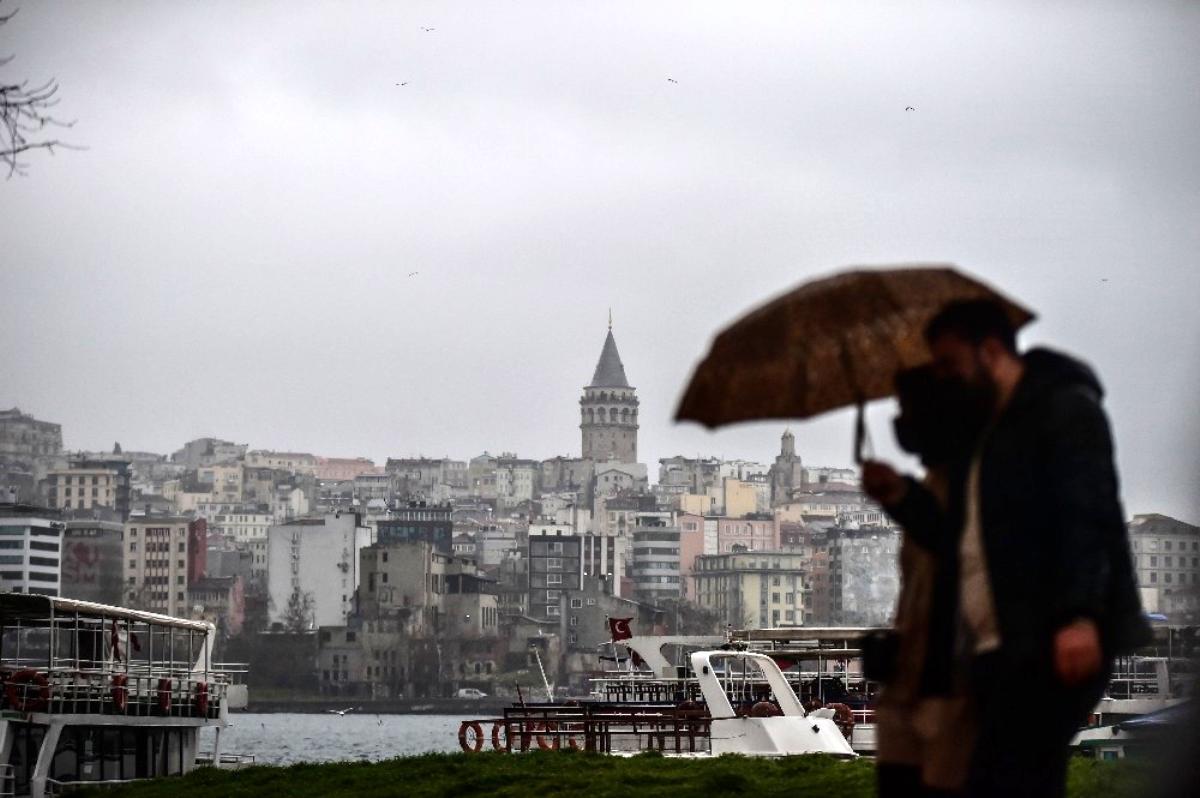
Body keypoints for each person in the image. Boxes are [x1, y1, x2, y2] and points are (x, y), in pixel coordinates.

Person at [863, 299, 1150, 798]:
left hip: (1050, 637)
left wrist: (1079, 617)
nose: (947, 380)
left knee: (1012, 777)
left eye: (951, 365)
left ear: (990, 351)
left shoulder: (1062, 408)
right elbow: (959, 540)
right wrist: (901, 496)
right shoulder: (991, 432)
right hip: (1003, 645)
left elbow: (1087, 513)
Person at [874, 365, 980, 798]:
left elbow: (956, 557)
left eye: (909, 410)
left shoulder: (976, 484)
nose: (901, 423)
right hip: (913, 689)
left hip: (948, 688)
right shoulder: (933, 484)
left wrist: (904, 500)